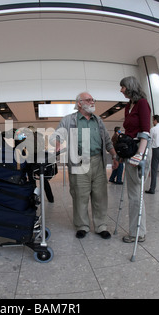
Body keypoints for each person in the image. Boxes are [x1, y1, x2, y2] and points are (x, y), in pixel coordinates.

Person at [51, 92, 119, 239]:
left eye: (93, 99)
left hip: (97, 162)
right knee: (80, 196)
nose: (92, 102)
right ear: (80, 103)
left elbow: (107, 141)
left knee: (100, 196)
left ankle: (101, 226)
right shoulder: (69, 120)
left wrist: (114, 156)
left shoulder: (98, 120)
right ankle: (82, 225)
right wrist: (57, 144)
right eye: (89, 100)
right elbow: (58, 134)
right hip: (79, 162)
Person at [120, 76, 151, 243]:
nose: (121, 90)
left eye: (123, 87)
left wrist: (139, 154)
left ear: (130, 86)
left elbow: (146, 130)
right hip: (130, 150)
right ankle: (138, 230)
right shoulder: (128, 106)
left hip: (140, 150)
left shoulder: (142, 104)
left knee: (135, 194)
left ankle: (138, 232)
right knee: (133, 193)